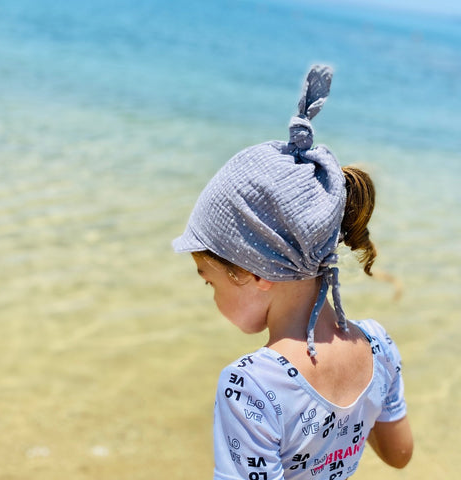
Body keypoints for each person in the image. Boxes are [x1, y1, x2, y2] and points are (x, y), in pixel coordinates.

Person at [172, 65, 413, 480]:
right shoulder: (379, 346)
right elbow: (399, 455)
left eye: (209, 280)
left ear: (254, 271)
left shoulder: (250, 386)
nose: (212, 297)